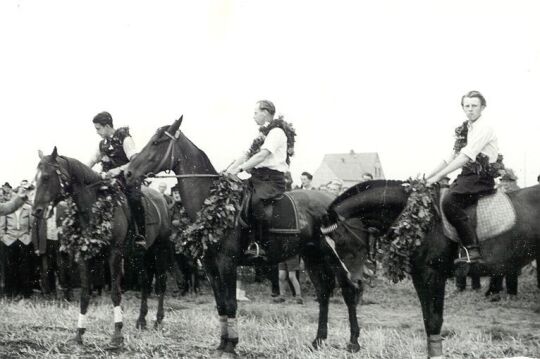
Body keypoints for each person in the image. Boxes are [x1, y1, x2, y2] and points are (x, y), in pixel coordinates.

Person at [427, 91, 501, 264]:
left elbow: (465, 157)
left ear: (483, 107)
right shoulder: (466, 128)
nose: (470, 110)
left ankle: (472, 249)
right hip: (468, 176)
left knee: (449, 201)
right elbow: (451, 156)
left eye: (474, 106)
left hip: (480, 177)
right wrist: (428, 176)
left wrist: (438, 176)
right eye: (466, 106)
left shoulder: (484, 128)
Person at [226, 100, 294, 257]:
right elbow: (246, 155)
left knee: (255, 201)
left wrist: (240, 169)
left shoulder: (276, 132)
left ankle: (261, 244)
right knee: (239, 197)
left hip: (272, 180)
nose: (253, 116)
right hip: (258, 178)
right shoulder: (263, 134)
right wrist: (228, 170)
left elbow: (263, 154)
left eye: (255, 112)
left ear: (265, 112)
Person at [87, 111, 146, 242]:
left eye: (98, 128)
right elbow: (91, 161)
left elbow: (135, 161)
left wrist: (117, 170)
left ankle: (140, 234)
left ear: (107, 126)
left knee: (134, 199)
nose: (97, 132)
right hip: (109, 180)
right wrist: (82, 171)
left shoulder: (124, 137)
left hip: (127, 178)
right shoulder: (102, 144)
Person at [1, 187, 35, 299]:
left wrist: (28, 239)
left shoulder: (28, 209)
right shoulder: (7, 208)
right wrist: (5, 239)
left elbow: (31, 227)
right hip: (10, 241)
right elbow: (1, 227)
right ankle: (11, 292)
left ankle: (25, 293)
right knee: (10, 268)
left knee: (25, 268)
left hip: (24, 241)